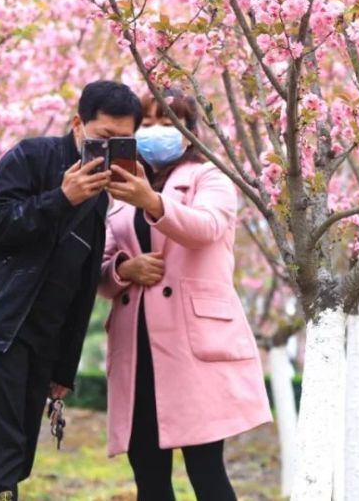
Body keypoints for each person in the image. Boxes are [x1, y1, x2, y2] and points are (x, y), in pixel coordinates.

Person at [0, 81, 142, 501]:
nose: (108, 152)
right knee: (1, 460)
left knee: (19, 459)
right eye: (103, 139)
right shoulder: (32, 156)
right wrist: (60, 199)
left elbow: (82, 285)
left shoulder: (101, 197)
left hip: (41, 343)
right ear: (77, 125)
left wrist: (63, 369)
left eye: (122, 143)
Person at [99, 88, 272, 500]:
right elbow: (101, 268)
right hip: (138, 346)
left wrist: (153, 202)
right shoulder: (120, 188)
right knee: (149, 474)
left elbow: (206, 228)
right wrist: (123, 270)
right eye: (148, 122)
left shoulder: (209, 176)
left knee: (206, 470)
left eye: (168, 121)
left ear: (189, 130)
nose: (156, 130)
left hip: (191, 344)